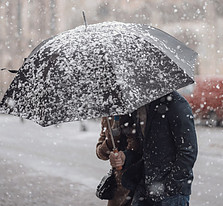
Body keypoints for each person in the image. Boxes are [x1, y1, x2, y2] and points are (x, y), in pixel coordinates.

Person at [109, 91, 198, 206]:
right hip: (145, 188)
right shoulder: (139, 106)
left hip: (171, 195)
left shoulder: (176, 104)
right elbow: (144, 151)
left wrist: (169, 186)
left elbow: (188, 151)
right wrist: (124, 157)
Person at [96, 115, 140, 206]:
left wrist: (125, 156)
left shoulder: (135, 111)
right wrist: (112, 139)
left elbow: (137, 146)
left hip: (137, 178)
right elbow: (101, 153)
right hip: (118, 183)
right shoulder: (107, 117)